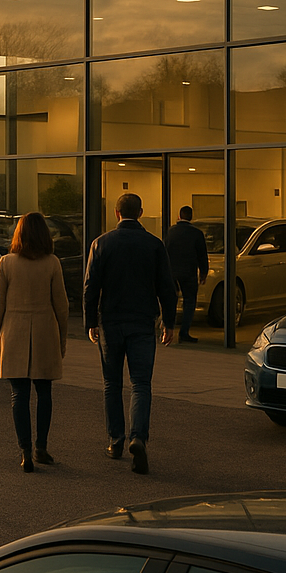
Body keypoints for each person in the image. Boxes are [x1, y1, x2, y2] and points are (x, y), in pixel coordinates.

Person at [82, 192, 176, 475]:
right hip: (143, 322)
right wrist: (169, 323)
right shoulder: (154, 245)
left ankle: (115, 440)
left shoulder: (101, 243)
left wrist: (90, 322)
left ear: (116, 213)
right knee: (141, 384)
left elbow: (90, 287)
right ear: (141, 212)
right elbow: (167, 287)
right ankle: (138, 437)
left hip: (111, 321)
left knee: (112, 383)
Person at [0, 212, 69, 472]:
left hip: (14, 332)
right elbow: (62, 306)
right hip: (45, 330)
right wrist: (62, 339)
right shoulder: (52, 263)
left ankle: (25, 451)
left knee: (19, 394)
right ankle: (41, 447)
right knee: (44, 393)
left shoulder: (6, 263)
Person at [164, 205, 209, 343]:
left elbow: (164, 252)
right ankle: (184, 333)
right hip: (189, 273)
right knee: (189, 302)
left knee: (171, 301)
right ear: (191, 217)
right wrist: (203, 272)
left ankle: (168, 328)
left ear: (179, 216)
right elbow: (202, 255)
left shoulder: (170, 232)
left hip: (172, 272)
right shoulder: (197, 233)